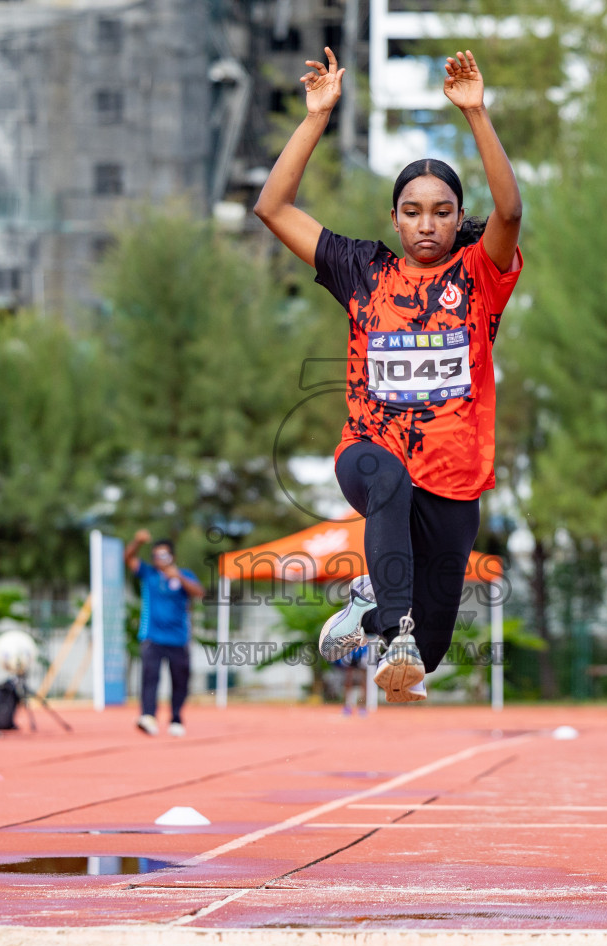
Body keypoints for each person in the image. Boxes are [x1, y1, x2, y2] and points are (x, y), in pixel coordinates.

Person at [254, 47, 523, 704]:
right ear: (394, 218)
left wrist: (476, 113)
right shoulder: (365, 271)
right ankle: (392, 620)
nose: (425, 223)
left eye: (440, 211)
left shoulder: (480, 277)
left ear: (459, 219)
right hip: (370, 456)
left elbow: (511, 214)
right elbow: (272, 207)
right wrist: (316, 116)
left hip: (454, 483)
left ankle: (373, 610)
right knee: (387, 481)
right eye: (411, 210)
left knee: (425, 657)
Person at [125, 530, 204, 736]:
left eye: (164, 555)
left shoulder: (184, 575)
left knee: (180, 681)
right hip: (152, 637)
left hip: (178, 639)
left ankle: (176, 718)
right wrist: (137, 541)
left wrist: (177, 576)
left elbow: (199, 592)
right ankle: (148, 717)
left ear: (173, 557)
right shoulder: (148, 574)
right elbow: (128, 558)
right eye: (156, 556)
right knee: (150, 679)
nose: (160, 560)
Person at [336, 644, 369, 716]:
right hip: (350, 646)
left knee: (362, 679)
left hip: (363, 646)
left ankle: (362, 707)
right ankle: (347, 706)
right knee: (348, 679)